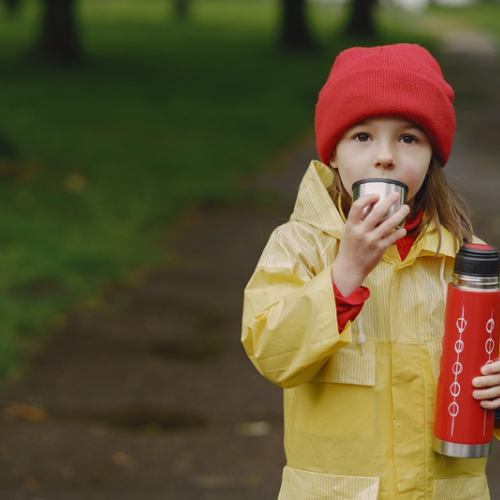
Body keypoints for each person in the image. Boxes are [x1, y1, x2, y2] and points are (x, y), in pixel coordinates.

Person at [241, 44, 500, 499]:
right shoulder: (299, 245)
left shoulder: (468, 260)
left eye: (409, 138)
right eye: (362, 136)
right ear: (333, 155)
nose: (385, 157)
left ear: (432, 159)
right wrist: (344, 272)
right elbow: (272, 353)